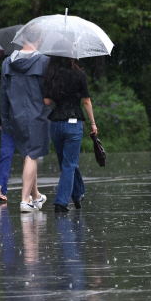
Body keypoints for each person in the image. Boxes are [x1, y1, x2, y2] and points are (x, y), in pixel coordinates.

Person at [0, 25, 50, 212]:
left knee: (28, 156)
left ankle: (36, 196)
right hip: (37, 116)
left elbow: (3, 95)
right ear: (39, 39)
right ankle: (25, 200)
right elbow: (49, 92)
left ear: (23, 38)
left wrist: (5, 120)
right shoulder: (44, 62)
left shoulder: (7, 63)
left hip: (15, 115)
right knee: (32, 155)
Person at [42, 46, 97, 213]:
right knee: (70, 164)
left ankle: (78, 192)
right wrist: (93, 124)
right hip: (73, 124)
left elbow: (46, 102)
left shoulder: (51, 74)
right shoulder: (79, 74)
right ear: (71, 55)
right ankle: (61, 202)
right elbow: (86, 102)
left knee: (66, 163)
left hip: (56, 124)